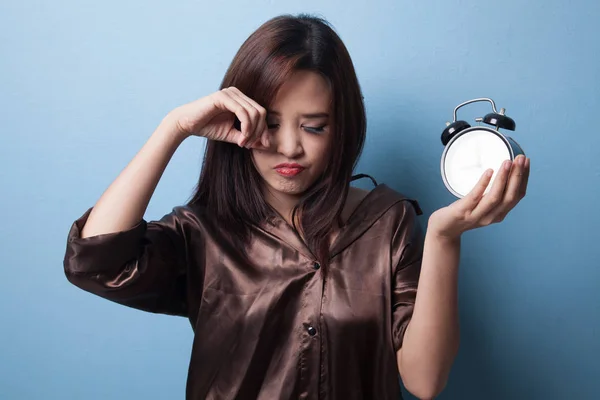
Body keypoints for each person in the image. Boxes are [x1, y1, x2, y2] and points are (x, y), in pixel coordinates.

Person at [62, 13, 530, 400]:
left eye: (314, 127)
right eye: (271, 122)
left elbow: (424, 381)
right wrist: (174, 127)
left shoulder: (386, 222)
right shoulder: (204, 231)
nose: (289, 148)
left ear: (342, 127)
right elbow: (94, 263)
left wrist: (444, 238)